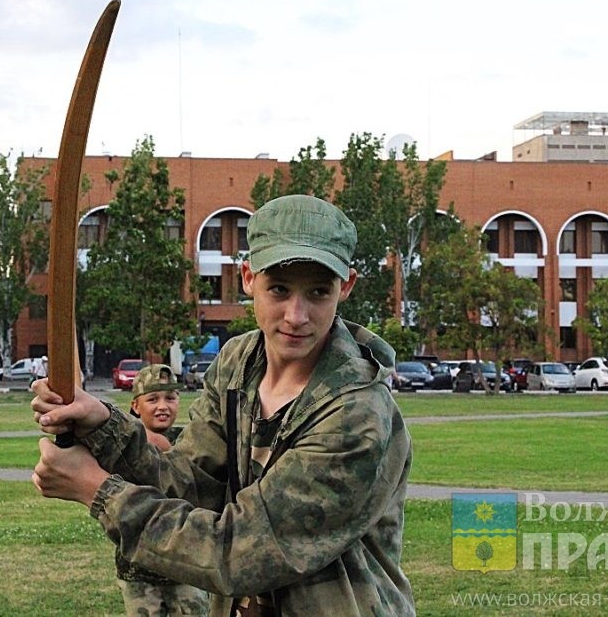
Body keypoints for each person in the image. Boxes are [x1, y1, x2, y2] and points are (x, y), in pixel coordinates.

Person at [31, 194, 415, 616]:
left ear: (346, 286)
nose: (296, 315)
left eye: (319, 292)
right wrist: (101, 425)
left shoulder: (358, 415)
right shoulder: (238, 364)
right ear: (248, 277)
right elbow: (189, 484)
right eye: (279, 290)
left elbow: (241, 552)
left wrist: (97, 491)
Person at [115, 363, 210, 615]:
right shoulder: (125, 449)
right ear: (136, 406)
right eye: (152, 399)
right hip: (139, 568)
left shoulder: (191, 441)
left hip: (187, 565)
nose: (162, 406)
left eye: (170, 398)